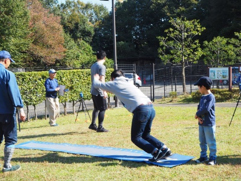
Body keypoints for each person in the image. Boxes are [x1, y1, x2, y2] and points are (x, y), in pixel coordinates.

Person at [92, 70, 171, 162]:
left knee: (136, 138)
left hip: (141, 110)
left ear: (113, 78)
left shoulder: (115, 83)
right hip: (150, 107)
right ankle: (165, 149)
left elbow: (96, 84)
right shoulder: (128, 81)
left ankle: (156, 152)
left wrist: (96, 78)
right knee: (145, 135)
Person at [0, 50, 26, 172]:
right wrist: (21, 110)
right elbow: (14, 94)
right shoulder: (8, 74)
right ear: (6, 60)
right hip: (6, 113)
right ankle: (7, 166)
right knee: (10, 139)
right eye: (9, 61)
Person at [194, 76, 217, 165]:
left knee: (210, 141)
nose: (198, 89)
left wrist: (196, 114)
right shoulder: (203, 97)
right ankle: (203, 156)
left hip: (209, 123)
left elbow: (206, 109)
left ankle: (213, 158)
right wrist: (199, 117)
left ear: (202, 86)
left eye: (199, 87)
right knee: (202, 141)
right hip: (201, 123)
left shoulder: (211, 97)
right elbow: (199, 107)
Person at [89, 50, 109, 132]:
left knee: (96, 108)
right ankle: (100, 127)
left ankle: (93, 124)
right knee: (103, 108)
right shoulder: (102, 67)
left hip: (93, 89)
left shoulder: (93, 65)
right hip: (99, 91)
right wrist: (104, 91)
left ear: (96, 57)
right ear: (105, 57)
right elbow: (102, 79)